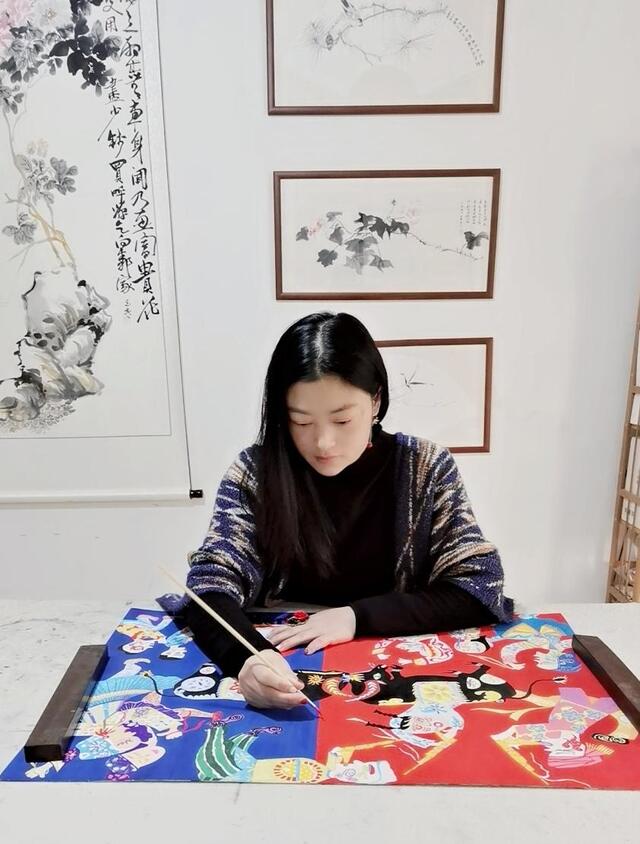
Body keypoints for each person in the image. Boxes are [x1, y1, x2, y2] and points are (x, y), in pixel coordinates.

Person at [159, 312, 513, 709]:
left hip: (397, 674)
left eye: (342, 419)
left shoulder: (425, 469)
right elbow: (209, 586)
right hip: (285, 663)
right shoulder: (256, 473)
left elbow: (478, 587)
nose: (323, 442)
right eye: (301, 422)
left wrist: (356, 617)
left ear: (375, 401)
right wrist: (248, 658)